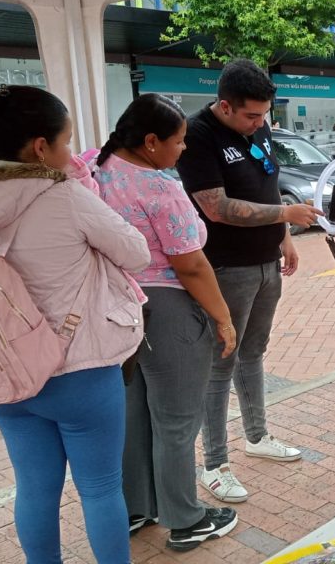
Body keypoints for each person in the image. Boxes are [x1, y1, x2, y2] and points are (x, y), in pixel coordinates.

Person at [0, 81, 151, 564]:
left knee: (35, 489)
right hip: (79, 366)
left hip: (5, 370)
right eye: (66, 142)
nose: (70, 152)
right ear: (41, 147)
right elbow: (137, 252)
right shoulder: (63, 195)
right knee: (101, 489)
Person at [93, 94, 240, 552]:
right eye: (177, 143)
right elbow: (191, 266)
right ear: (151, 141)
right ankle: (185, 518)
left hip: (118, 309)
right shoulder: (159, 188)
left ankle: (136, 508)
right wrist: (223, 317)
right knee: (177, 421)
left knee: (134, 414)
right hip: (168, 309)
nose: (183, 151)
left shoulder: (94, 172)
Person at [176, 59, 322, 503]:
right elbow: (217, 207)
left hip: (265, 264)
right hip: (224, 269)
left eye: (264, 115)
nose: (260, 123)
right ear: (224, 105)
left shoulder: (258, 128)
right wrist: (285, 216)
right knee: (220, 363)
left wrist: (284, 238)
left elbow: (268, 184)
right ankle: (214, 464)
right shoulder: (197, 136)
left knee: (253, 353)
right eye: (252, 116)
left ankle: (257, 436)